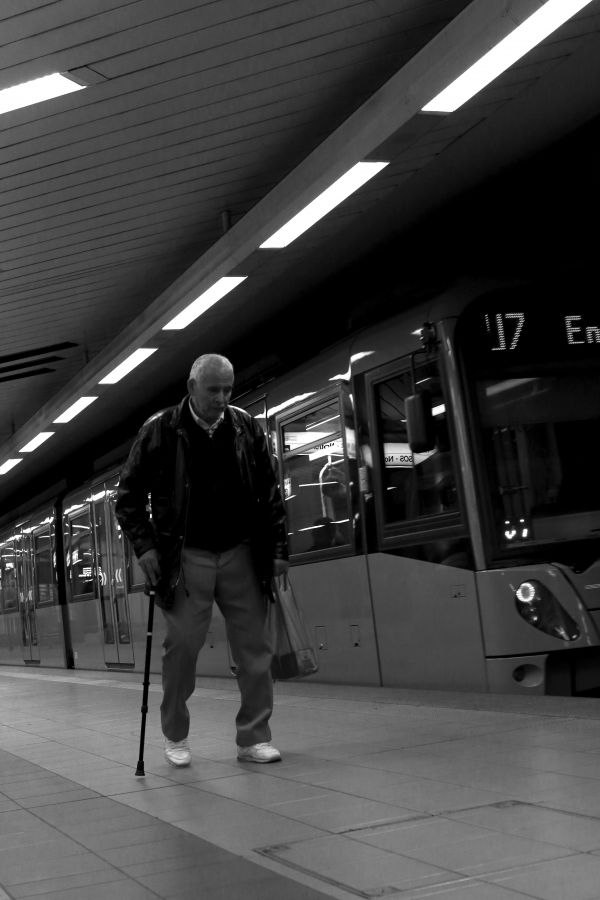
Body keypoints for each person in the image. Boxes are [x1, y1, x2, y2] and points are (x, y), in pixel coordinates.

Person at [115, 353, 289, 767]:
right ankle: (176, 736)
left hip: (242, 552)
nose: (222, 399)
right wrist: (147, 548)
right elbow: (128, 499)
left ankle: (253, 738)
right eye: (214, 390)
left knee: (255, 650)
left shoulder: (246, 427)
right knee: (182, 649)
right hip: (186, 554)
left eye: (228, 390)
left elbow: (270, 493)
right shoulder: (159, 431)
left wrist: (279, 549)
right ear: (191, 387)